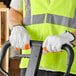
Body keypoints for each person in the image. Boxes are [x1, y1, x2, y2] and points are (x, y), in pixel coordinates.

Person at [9, 0, 76, 76]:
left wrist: (69, 37)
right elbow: (16, 11)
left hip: (68, 65)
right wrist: (16, 27)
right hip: (31, 62)